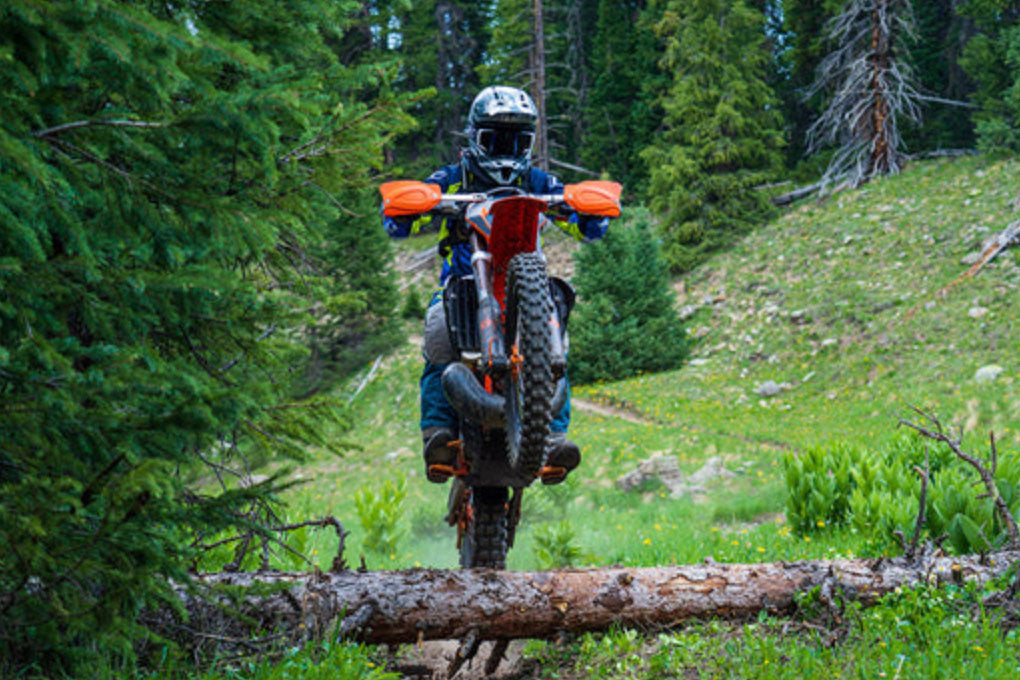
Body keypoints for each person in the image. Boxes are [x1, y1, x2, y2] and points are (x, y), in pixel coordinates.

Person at [383, 85, 610, 484]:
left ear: (529, 142)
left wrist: (588, 212)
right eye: (495, 138)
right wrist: (412, 208)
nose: (506, 147)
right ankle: (437, 433)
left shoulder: (538, 180)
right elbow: (404, 221)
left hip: (524, 287)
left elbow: (584, 224)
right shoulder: (455, 177)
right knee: (437, 334)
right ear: (475, 136)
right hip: (462, 280)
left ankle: (554, 435)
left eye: (517, 139)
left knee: (557, 340)